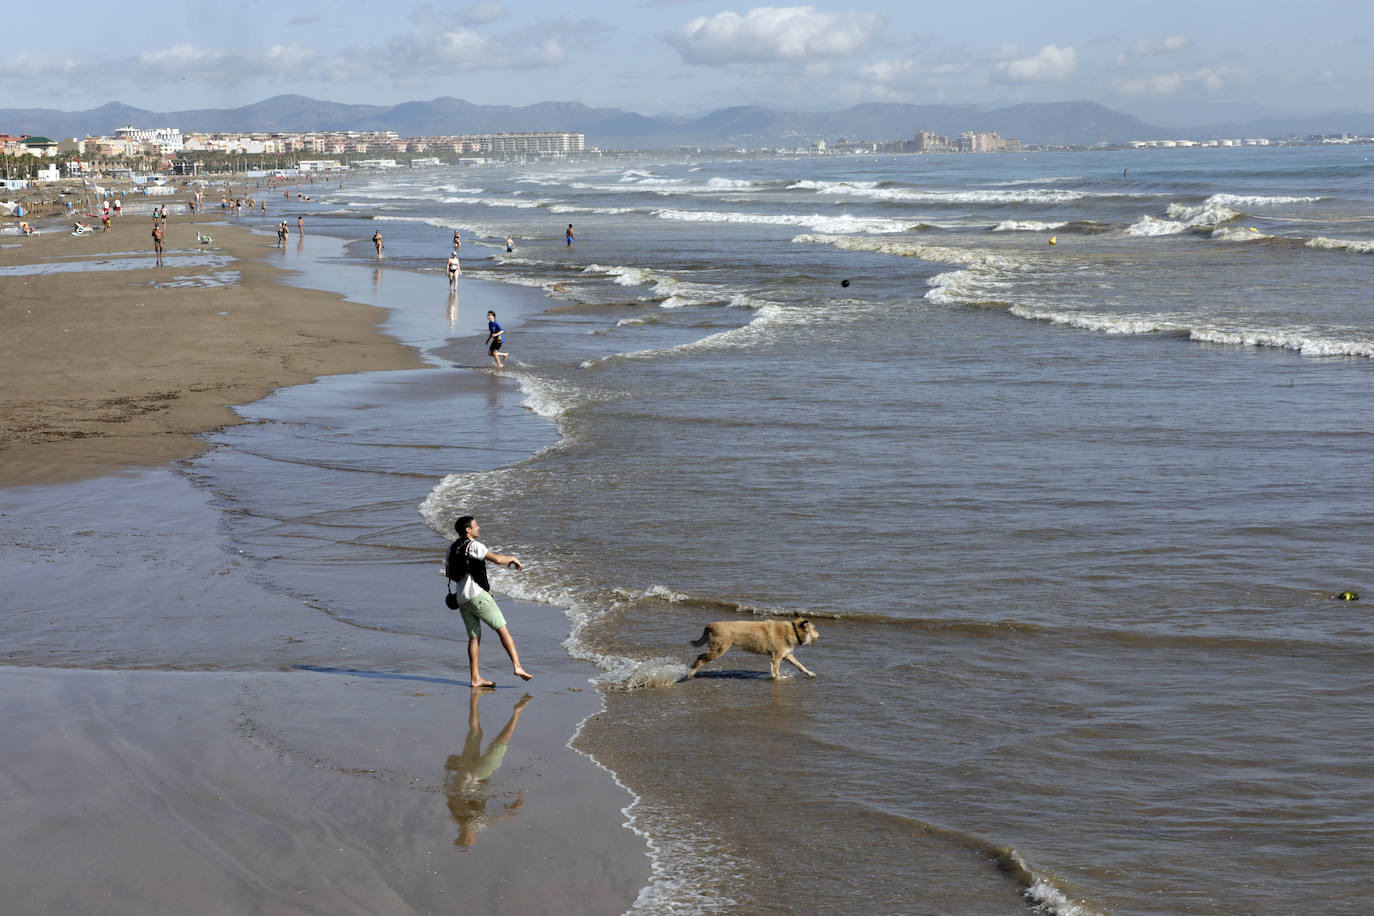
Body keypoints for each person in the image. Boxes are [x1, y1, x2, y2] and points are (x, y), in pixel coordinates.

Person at [445, 516, 531, 686]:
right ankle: (517, 666)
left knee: (474, 637)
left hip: (462, 597)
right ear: (468, 530)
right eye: (476, 525)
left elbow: (449, 573)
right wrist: (512, 558)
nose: (479, 527)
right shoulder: (474, 546)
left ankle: (475, 678)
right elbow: (498, 559)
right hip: (478, 595)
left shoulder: (451, 547)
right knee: (503, 630)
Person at [444, 691, 531, 848]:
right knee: (475, 733)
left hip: (479, 775)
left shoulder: (471, 823)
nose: (470, 837)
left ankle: (517, 712)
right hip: (464, 771)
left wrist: (512, 811)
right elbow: (449, 793)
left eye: (468, 839)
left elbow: (494, 820)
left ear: (469, 837)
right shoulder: (454, 815)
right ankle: (474, 699)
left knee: (501, 743)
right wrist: (451, 771)